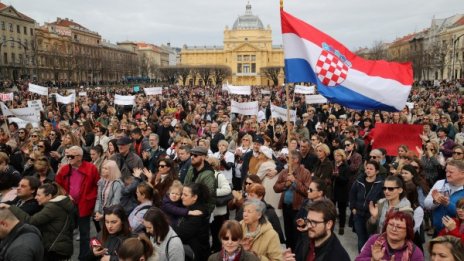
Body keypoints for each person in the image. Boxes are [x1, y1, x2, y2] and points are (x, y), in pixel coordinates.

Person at [1, 182, 74, 260]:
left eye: (39, 195)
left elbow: (31, 221)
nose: (35, 197)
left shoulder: (52, 207)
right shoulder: (57, 205)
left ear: (49, 196)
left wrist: (10, 207)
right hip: (59, 247)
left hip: (55, 249)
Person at [55, 145, 100, 261]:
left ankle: (84, 257)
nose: (68, 158)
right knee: (67, 232)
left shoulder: (91, 168)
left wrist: (91, 198)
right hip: (68, 205)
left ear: (79, 157)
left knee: (84, 233)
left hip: (84, 204)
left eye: (71, 156)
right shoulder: (65, 169)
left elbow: (97, 185)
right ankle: (66, 256)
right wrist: (65, 194)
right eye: (67, 155)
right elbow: (57, 185)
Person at [286, 199, 350, 261]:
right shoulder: (304, 240)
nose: (309, 226)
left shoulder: (338, 257)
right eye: (308, 221)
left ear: (329, 224)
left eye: (314, 222)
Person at [273, 150, 311, 251]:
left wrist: (295, 182)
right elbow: (276, 188)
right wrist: (285, 185)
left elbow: (307, 191)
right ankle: (289, 252)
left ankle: (297, 254)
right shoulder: (284, 172)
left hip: (298, 208)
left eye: (288, 158)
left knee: (297, 233)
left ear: (295, 160)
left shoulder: (305, 173)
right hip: (286, 206)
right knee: (288, 232)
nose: (286, 160)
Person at [355, 210, 424, 261]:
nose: (393, 229)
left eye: (399, 227)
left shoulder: (415, 252)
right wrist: (372, 260)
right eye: (391, 225)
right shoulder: (375, 240)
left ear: (408, 230)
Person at [349, 160, 385, 252]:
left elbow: (383, 199)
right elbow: (352, 194)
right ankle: (362, 257)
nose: (368, 170)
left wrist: (378, 213)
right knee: (361, 238)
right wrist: (353, 208)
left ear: (376, 171)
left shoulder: (381, 184)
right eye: (367, 168)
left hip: (372, 216)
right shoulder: (359, 181)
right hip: (359, 214)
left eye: (371, 169)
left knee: (371, 239)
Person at [173, 182, 211, 261]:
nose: (182, 197)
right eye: (182, 194)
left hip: (196, 253)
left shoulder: (197, 214)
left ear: (194, 197)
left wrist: (167, 226)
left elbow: (181, 234)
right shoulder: (191, 207)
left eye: (185, 195)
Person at [424, 159, 464, 234]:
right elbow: (426, 204)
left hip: (457, 234)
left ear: (462, 174)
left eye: (451, 172)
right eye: (446, 171)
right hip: (438, 232)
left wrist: (448, 204)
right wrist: (435, 201)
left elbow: (461, 214)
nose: (447, 174)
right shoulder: (440, 183)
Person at [183, 146, 216, 213]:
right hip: (189, 201)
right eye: (191, 155)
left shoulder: (208, 174)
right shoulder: (191, 168)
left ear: (203, 157)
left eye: (195, 155)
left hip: (202, 207)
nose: (192, 157)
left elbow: (207, 195)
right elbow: (185, 184)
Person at [332, 149, 350, 235]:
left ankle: (341, 227)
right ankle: (331, 225)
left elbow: (346, 180)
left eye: (338, 155)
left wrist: (337, 176)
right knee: (331, 209)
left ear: (342, 157)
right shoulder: (333, 164)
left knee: (342, 210)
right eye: (335, 155)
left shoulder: (346, 167)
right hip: (333, 190)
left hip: (342, 191)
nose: (336, 157)